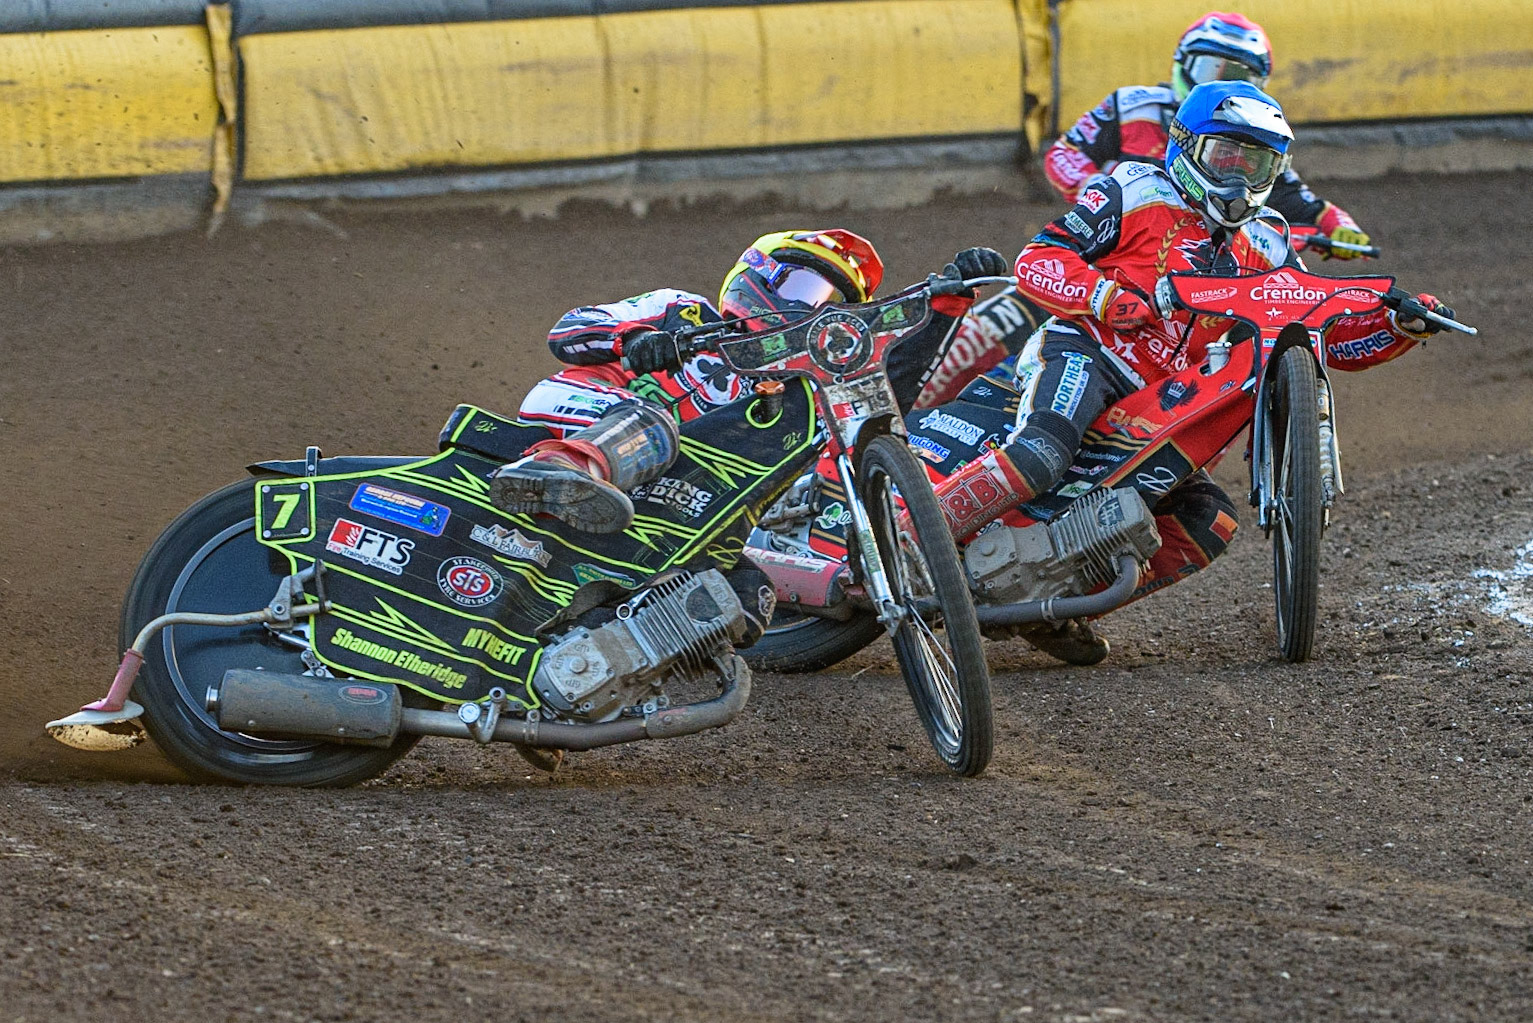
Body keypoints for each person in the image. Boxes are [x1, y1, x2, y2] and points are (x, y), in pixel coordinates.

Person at [923, 80, 1453, 662]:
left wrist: (1401, 328)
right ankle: (910, 541)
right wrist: (1105, 297)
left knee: (1211, 522)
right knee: (1044, 451)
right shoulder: (1133, 188)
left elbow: (1322, 332)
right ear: (1185, 146)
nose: (1236, 178)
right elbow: (1039, 259)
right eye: (1224, 157)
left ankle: (1053, 606)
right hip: (1090, 351)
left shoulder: (1269, 239)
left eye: (1256, 164)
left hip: (1167, 399)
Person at [915, 10, 1370, 410]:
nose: (1220, 80)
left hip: (1180, 290)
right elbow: (1063, 155)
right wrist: (1114, 189)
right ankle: (920, 399)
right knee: (1002, 320)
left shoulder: (1247, 151)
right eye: (1211, 67)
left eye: (1241, 75)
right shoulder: (1131, 104)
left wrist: (1344, 229)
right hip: (1106, 250)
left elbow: (1306, 203)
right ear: (1182, 63)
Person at [488, 229, 1006, 531]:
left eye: (832, 305)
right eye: (805, 288)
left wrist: (943, 308)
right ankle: (560, 473)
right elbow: (568, 330)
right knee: (651, 425)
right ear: (758, 274)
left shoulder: (794, 385)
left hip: (675, 491)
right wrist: (633, 340)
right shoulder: (679, 308)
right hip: (570, 418)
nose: (811, 310)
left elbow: (881, 401)